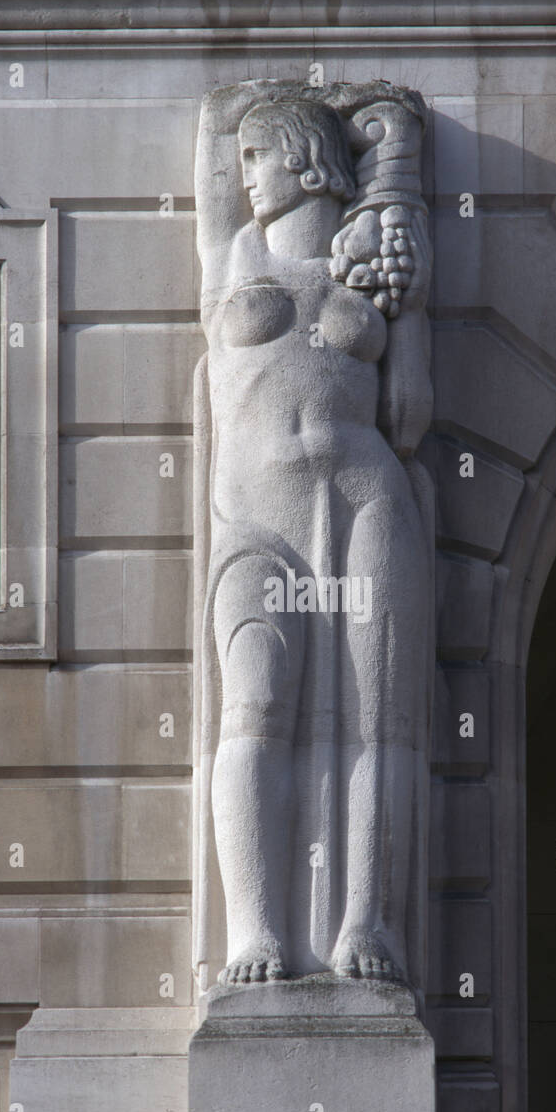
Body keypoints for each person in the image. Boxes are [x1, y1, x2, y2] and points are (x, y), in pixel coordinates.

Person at [196, 87, 433, 986]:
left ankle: (367, 921)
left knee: (384, 724)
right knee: (252, 705)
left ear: (300, 156)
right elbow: (215, 124)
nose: (242, 173)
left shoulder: (369, 271)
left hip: (366, 496)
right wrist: (382, 123)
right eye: (246, 159)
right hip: (255, 521)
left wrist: (403, 250)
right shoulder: (229, 256)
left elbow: (413, 420)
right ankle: (256, 927)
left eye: (258, 156)